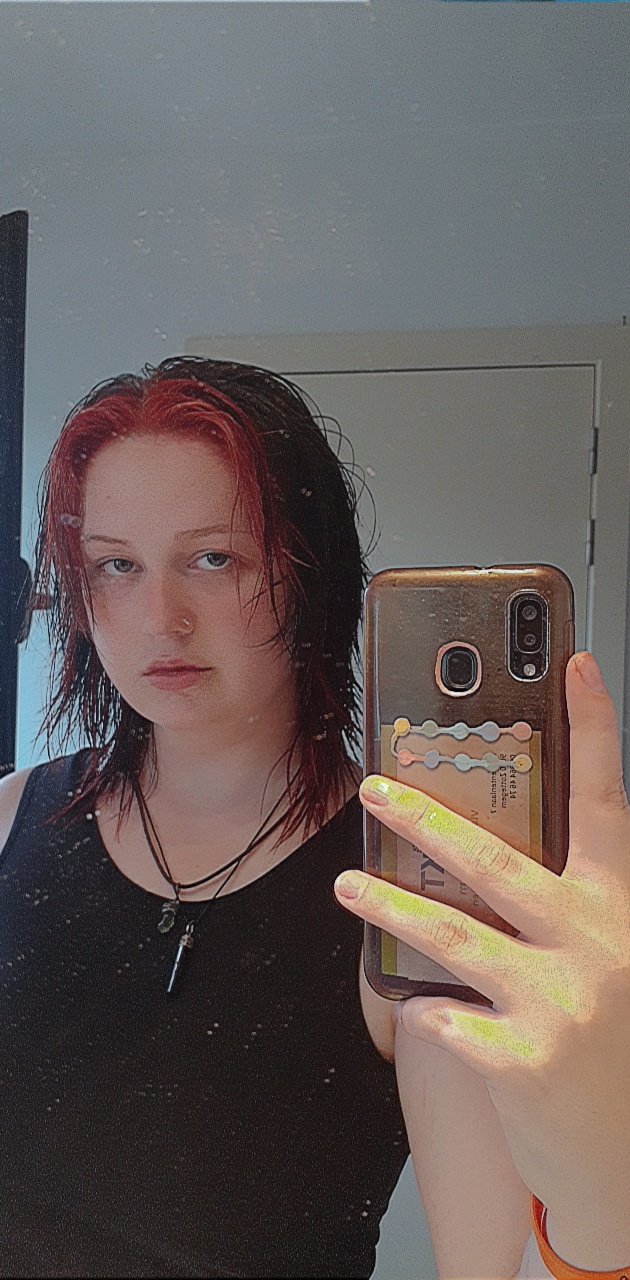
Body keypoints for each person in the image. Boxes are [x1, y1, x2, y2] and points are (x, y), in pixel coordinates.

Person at [0, 357, 413, 1279]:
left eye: (214, 558)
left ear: (308, 573)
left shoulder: (405, 884)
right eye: (116, 565)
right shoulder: (12, 821)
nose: (161, 619)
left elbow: (494, 1248)